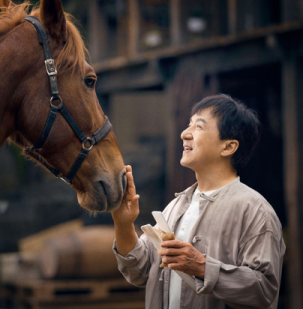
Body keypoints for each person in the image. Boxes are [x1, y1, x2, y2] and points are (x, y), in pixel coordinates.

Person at [112, 94, 286, 309]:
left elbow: (264, 291)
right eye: (188, 125)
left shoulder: (255, 211)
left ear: (228, 147)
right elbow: (138, 272)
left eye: (199, 127)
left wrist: (203, 267)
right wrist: (123, 223)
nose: (185, 134)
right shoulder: (175, 206)